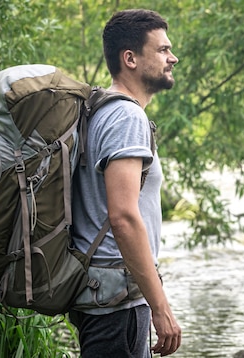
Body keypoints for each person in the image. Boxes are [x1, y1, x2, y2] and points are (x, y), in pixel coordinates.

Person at [69, 9, 182, 358]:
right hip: (117, 302)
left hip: (102, 293)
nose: (172, 57)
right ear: (130, 58)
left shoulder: (100, 109)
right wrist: (160, 306)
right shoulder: (127, 117)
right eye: (162, 50)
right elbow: (123, 216)